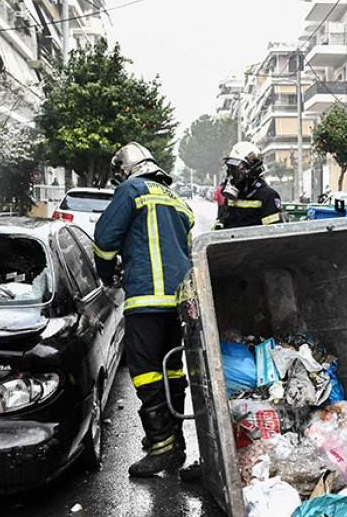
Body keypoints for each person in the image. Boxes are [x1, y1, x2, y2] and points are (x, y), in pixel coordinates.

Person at [93, 142, 196, 477]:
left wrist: (108, 274)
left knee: (145, 369)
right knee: (172, 371)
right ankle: (174, 440)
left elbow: (104, 240)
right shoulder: (176, 198)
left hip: (147, 298)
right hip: (179, 301)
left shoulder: (131, 190)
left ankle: (162, 447)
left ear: (126, 169)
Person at [216, 141, 283, 229]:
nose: (233, 172)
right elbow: (223, 221)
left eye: (238, 167)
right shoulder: (232, 194)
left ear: (252, 168)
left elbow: (273, 232)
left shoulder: (267, 195)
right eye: (231, 167)